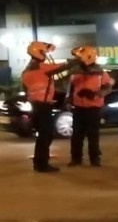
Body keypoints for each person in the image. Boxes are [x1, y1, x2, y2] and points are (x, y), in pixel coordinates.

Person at [21, 41, 82, 173]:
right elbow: (62, 67)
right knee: (46, 135)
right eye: (44, 52)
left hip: (35, 105)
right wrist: (78, 59)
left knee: (43, 135)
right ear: (38, 52)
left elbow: (27, 89)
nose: (45, 54)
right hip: (43, 106)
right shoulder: (41, 68)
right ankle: (42, 164)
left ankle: (39, 162)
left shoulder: (27, 70)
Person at [67, 46, 114, 167]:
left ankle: (95, 158)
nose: (79, 59)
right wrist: (68, 100)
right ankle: (76, 158)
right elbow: (70, 88)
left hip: (94, 107)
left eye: (80, 57)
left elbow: (107, 87)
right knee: (77, 135)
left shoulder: (100, 72)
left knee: (93, 135)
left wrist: (93, 94)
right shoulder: (75, 71)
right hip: (78, 107)